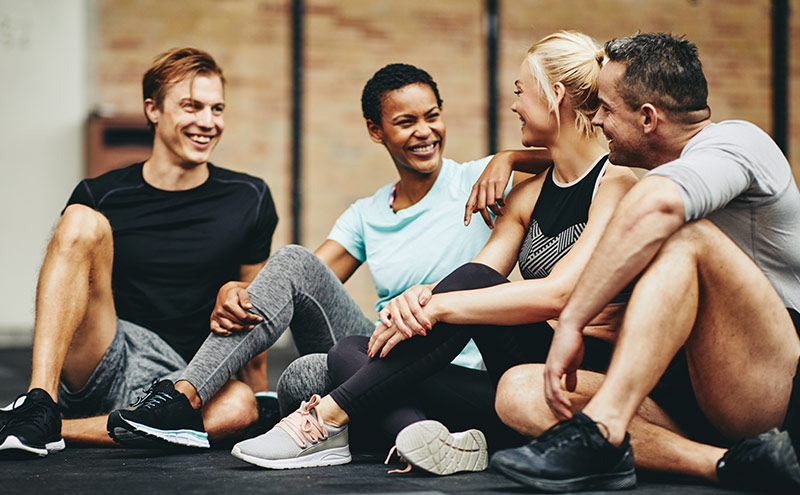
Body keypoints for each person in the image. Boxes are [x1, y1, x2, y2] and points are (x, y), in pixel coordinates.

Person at [225, 31, 638, 473]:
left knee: (443, 307)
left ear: (554, 95)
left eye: (520, 91)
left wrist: (437, 305)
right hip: (515, 379)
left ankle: (325, 421)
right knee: (351, 351)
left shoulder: (615, 183)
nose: (515, 105)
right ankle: (424, 440)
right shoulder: (528, 195)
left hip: (577, 374)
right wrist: (418, 301)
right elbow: (478, 271)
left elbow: (557, 294)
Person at [103, 63, 550, 451]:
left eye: (432, 116)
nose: (425, 132)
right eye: (406, 121)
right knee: (302, 371)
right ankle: (185, 396)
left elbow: (578, 162)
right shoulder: (367, 213)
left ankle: (401, 430)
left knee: (313, 377)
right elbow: (294, 282)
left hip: (455, 368)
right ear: (376, 131)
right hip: (380, 353)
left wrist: (511, 157)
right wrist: (237, 291)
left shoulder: (480, 179)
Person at [489, 33, 800, 494]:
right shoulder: (668, 171)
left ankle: (602, 431)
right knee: (520, 391)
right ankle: (730, 464)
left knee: (687, 237)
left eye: (605, 109)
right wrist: (513, 157)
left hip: (771, 383)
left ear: (648, 118)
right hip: (690, 391)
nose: (596, 119)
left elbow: (660, 204)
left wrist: (572, 320)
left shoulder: (737, 142)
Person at [0, 48, 279, 457]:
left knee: (240, 406)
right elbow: (71, 294)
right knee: (80, 220)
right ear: (153, 110)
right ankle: (38, 402)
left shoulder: (249, 197)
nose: (208, 121)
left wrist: (262, 404)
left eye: (217, 108)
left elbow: (252, 314)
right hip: (107, 356)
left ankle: (56, 428)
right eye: (192, 106)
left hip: (186, 380)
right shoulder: (101, 194)